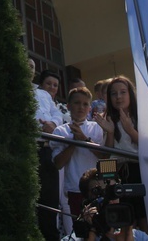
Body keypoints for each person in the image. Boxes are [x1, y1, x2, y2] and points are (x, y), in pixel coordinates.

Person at [93, 76, 147, 233]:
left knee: (142, 214)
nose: (118, 97)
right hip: (116, 170)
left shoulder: (142, 116)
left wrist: (130, 129)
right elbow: (106, 156)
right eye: (113, 94)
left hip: (138, 168)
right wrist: (110, 132)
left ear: (131, 94)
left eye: (123, 92)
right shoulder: (107, 119)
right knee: (121, 216)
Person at [51, 87, 105, 220]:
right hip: (75, 188)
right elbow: (58, 163)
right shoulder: (60, 131)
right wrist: (74, 142)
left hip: (99, 186)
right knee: (81, 229)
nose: (81, 107)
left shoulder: (97, 128)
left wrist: (84, 139)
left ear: (89, 108)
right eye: (77, 103)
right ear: (68, 106)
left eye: (85, 104)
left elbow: (104, 156)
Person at [31, 61, 64, 240]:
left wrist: (53, 124)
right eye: (48, 84)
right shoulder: (28, 91)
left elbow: (57, 116)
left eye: (55, 85)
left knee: (50, 200)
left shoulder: (46, 97)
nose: (52, 88)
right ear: (40, 82)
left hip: (47, 151)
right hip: (31, 148)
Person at [76, 168, 148, 241]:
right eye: (100, 193)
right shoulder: (75, 238)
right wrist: (91, 233)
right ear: (86, 202)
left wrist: (128, 235)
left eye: (113, 192)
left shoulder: (140, 238)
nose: (109, 200)